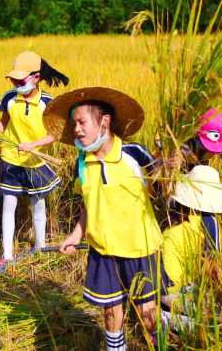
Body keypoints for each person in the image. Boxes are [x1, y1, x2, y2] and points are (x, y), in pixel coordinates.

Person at [45, 87, 169, 350]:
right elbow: (88, 206)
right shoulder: (83, 163)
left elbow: (163, 188)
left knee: (147, 315)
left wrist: (169, 168)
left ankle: (161, 342)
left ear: (104, 121)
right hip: (103, 249)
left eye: (81, 122)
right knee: (111, 313)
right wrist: (76, 234)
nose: (76, 129)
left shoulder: (134, 154)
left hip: (140, 248)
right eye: (74, 123)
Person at [0, 51, 69, 273]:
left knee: (38, 204)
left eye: (20, 80)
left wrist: (34, 145)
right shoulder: (9, 98)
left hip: (35, 161)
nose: (16, 84)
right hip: (11, 160)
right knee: (9, 204)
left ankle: (40, 246)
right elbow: (1, 126)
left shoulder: (47, 103)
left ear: (36, 77)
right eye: (13, 80)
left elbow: (55, 134)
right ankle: (6, 255)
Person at [160, 165, 222, 331]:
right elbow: (213, 268)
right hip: (180, 293)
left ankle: (165, 318)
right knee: (221, 317)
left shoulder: (169, 216)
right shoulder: (209, 222)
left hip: (159, 291)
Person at [181, 108, 222, 251]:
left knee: (208, 216)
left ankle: (210, 255)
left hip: (201, 174)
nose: (217, 150)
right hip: (180, 174)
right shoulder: (186, 142)